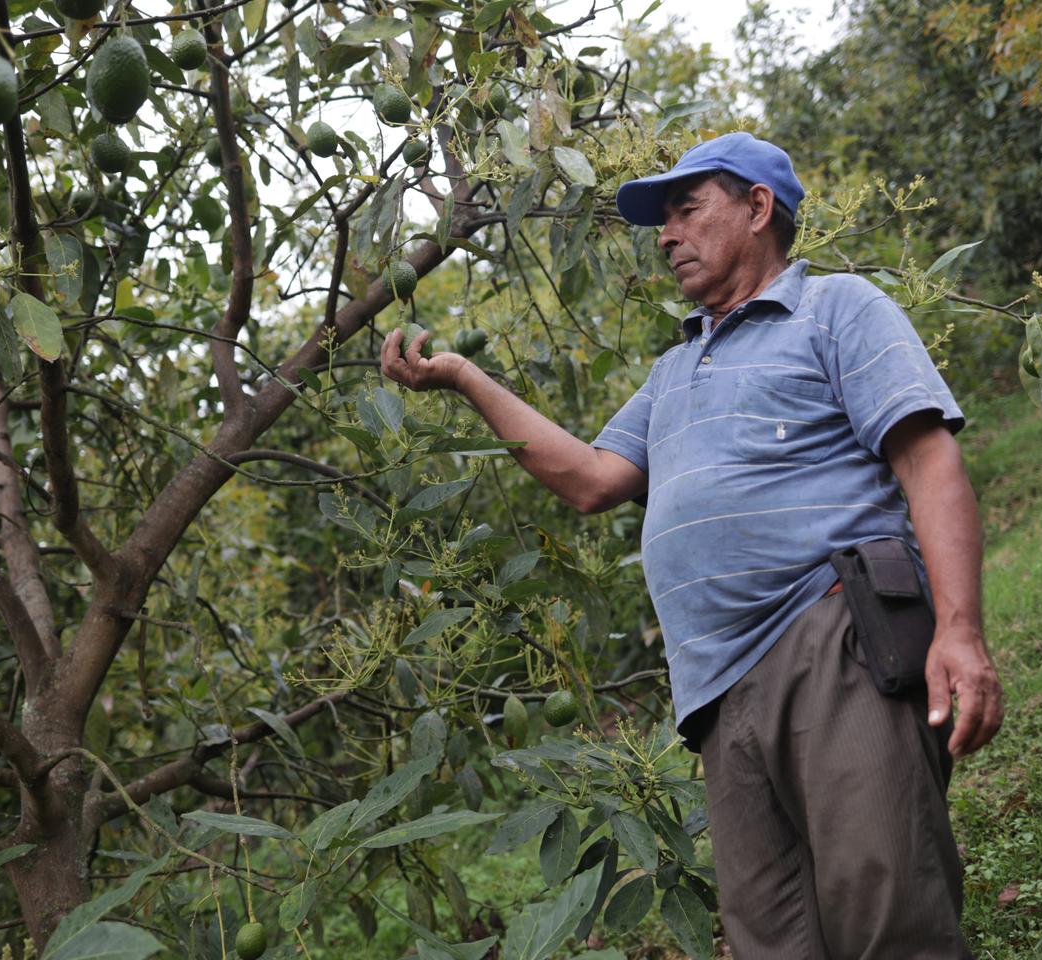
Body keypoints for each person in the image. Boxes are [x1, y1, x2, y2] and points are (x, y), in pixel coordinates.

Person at [379, 131, 1003, 958]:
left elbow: (926, 456)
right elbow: (591, 479)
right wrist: (465, 377)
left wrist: (959, 629)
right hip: (714, 690)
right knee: (771, 939)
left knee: (886, 916)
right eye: (660, 221)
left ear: (757, 207)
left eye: (685, 210)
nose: (665, 234)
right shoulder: (673, 371)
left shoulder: (838, 308)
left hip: (832, 639)